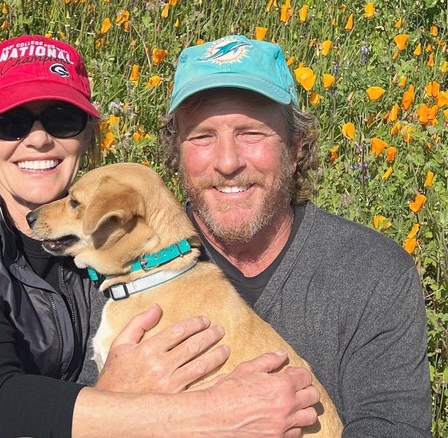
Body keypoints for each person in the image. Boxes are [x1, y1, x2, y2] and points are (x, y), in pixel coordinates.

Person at [0, 34, 322, 438]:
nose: (37, 139)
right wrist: (217, 412)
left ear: (87, 137)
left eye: (60, 119)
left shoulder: (105, 242)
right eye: (11, 122)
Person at [155, 35, 432, 436]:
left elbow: (393, 427)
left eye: (252, 133)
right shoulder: (135, 271)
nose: (228, 162)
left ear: (296, 147)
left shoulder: (374, 274)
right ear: (176, 151)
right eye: (202, 136)